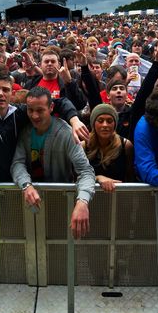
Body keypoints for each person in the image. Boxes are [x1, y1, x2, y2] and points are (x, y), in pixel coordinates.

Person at [0, 18, 87, 182]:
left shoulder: (20, 113)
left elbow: (57, 102)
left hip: (15, 187)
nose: (0, 94)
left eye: (5, 90)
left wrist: (74, 119)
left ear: (12, 94)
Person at [11, 87, 96, 239]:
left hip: (61, 205)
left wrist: (83, 200)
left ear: (51, 108)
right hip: (30, 205)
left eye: (40, 110)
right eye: (30, 110)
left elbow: (85, 171)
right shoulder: (25, 132)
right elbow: (17, 163)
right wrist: (26, 185)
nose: (34, 115)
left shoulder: (66, 133)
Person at [82, 104, 135, 190]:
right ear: (93, 124)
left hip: (119, 197)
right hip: (90, 198)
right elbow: (78, 177)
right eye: (100, 120)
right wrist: (98, 178)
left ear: (115, 124)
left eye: (109, 121)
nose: (105, 125)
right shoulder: (83, 146)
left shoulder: (126, 146)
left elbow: (131, 178)